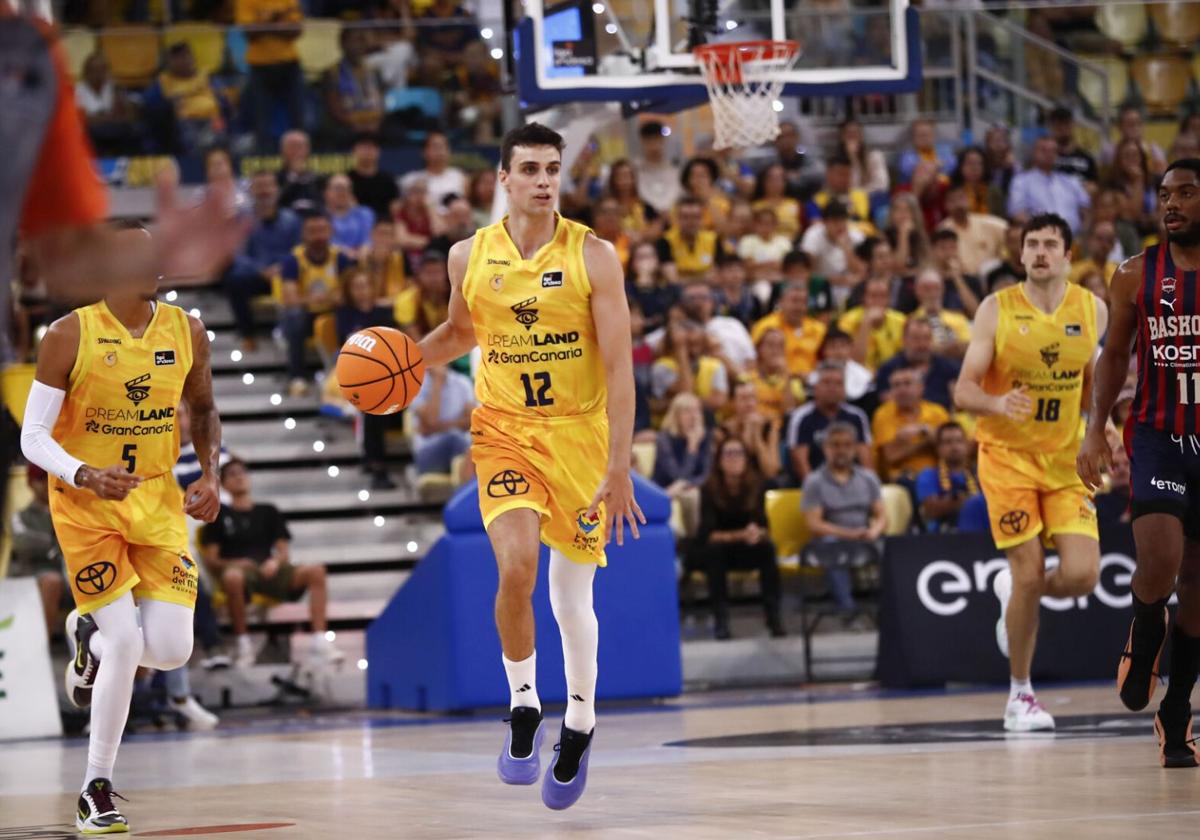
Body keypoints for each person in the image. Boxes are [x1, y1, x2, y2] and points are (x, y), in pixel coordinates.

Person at [415, 123, 643, 809]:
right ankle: (523, 706)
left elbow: (620, 366)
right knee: (515, 566)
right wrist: (401, 362)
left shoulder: (594, 256)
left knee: (572, 601)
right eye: (530, 169)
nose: (544, 180)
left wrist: (622, 464)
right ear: (503, 179)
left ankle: (579, 720)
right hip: (504, 432)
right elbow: (461, 332)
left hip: (579, 436)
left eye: (553, 168)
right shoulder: (468, 256)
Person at [18, 228, 222, 833]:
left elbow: (205, 409)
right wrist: (82, 473)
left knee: (172, 649)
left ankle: (91, 639)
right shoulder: (68, 334)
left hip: (156, 500)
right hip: (85, 505)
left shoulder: (187, 330)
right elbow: (34, 436)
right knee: (130, 642)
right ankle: (94, 788)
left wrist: (209, 473)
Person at [955, 212, 1107, 732]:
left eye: (1050, 245)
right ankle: (1020, 696)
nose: (1040, 252)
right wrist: (998, 404)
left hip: (1065, 461)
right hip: (1006, 459)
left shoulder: (1093, 310)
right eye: (1032, 245)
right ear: (1020, 255)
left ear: (1068, 255)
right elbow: (963, 390)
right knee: (1026, 570)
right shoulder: (995, 310)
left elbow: (1093, 385)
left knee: (1084, 575)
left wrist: (1101, 428)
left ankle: (1016, 594)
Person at [1077, 159, 1200, 767]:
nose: (1170, 203)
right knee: (1161, 559)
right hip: (1156, 434)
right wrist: (1094, 429)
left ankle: (1176, 714)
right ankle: (1146, 627)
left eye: (1185, 192)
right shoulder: (1133, 274)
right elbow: (1113, 356)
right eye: (1163, 194)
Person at [199, 458, 339, 669]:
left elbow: (283, 551)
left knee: (317, 570)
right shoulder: (218, 515)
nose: (239, 477)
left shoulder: (269, 511)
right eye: (233, 474)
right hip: (240, 572)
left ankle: (320, 641)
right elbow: (211, 559)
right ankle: (242, 643)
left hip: (269, 568)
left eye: (242, 472)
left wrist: (275, 562)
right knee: (232, 576)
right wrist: (236, 563)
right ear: (223, 484)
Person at [694, 436, 784, 640]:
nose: (734, 458)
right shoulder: (708, 489)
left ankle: (774, 618)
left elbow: (764, 526)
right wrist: (741, 534)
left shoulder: (757, 485)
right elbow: (707, 535)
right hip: (716, 549)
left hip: (746, 547)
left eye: (739, 453)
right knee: (714, 554)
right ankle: (721, 621)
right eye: (728, 453)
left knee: (767, 549)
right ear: (719, 460)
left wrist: (757, 533)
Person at [800, 422, 887, 624]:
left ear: (856, 448)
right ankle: (847, 610)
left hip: (865, 537)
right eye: (835, 445)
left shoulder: (868, 478)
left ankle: (889, 610)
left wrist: (874, 530)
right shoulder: (814, 481)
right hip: (833, 540)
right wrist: (849, 534)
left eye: (847, 445)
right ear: (825, 449)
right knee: (831, 545)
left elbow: (882, 515)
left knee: (891, 547)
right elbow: (814, 524)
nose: (841, 450)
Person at [279, 212, 357, 396]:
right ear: (303, 235)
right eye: (312, 231)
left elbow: (350, 290)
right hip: (307, 315)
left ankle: (348, 372)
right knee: (293, 316)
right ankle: (296, 376)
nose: (318, 237)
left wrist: (334, 298)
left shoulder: (340, 258)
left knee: (349, 310)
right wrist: (315, 299)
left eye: (322, 231)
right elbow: (290, 299)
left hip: (334, 313)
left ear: (330, 232)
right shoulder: (293, 261)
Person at [224, 171, 302, 350]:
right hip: (257, 276)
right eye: (259, 186)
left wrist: (282, 268)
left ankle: (290, 333)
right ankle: (247, 334)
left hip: (286, 275)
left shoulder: (292, 220)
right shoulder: (242, 220)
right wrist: (261, 270)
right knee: (234, 279)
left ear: (277, 189)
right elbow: (238, 254)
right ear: (251, 191)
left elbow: (299, 250)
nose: (264, 191)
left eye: (268, 186)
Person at [786, 360, 872, 483]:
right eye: (827, 383)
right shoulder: (801, 417)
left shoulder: (857, 416)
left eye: (838, 383)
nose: (833, 388)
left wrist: (868, 488)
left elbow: (866, 460)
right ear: (816, 387)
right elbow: (800, 463)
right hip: (812, 486)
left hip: (851, 483)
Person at [236, 0, 305, 152]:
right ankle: (264, 161)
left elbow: (296, 30)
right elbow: (249, 33)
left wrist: (265, 24)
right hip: (260, 65)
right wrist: (277, 20)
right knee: (262, 121)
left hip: (289, 62)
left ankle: (301, 159)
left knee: (299, 119)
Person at [9, 464, 68, 637]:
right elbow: (22, 542)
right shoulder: (21, 516)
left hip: (68, 575)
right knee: (52, 581)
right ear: (30, 483)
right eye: (41, 479)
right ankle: (41, 648)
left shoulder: (66, 510)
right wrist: (55, 546)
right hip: (32, 576)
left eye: (49, 478)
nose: (46, 483)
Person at [871, 365, 950, 489]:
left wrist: (908, 440)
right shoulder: (883, 414)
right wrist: (926, 440)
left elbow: (948, 449)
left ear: (920, 388)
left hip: (938, 475)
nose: (901, 389)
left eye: (907, 384)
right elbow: (891, 456)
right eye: (896, 385)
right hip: (902, 478)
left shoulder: (938, 412)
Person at [1007, 136, 1091, 234]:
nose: (1049, 154)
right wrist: (1044, 232)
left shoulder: (1071, 182)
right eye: (1044, 150)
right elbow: (1017, 214)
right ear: (1034, 153)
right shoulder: (1021, 181)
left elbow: (1087, 211)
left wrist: (1084, 233)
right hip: (1039, 238)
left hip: (1074, 240)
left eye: (1053, 151)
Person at [875, 316, 961, 409]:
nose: (922, 344)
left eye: (927, 338)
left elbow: (958, 403)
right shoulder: (888, 369)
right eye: (916, 338)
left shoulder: (949, 368)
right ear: (904, 340)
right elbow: (886, 402)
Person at [915, 421, 984, 533]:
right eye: (948, 442)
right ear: (938, 448)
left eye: (959, 441)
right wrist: (967, 501)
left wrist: (958, 501)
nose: (954, 446)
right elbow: (930, 510)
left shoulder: (979, 472)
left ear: (966, 445)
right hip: (944, 538)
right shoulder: (928, 475)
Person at [750, 281, 827, 379]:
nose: (798, 307)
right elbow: (754, 360)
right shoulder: (765, 327)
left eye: (803, 302)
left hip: (813, 384)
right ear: (781, 302)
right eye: (794, 301)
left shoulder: (819, 329)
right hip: (776, 382)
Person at [410, 364, 474, 477]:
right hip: (428, 453)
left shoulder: (463, 382)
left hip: (461, 446)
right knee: (454, 439)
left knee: (476, 446)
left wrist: (437, 427)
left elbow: (473, 421)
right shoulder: (415, 385)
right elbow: (431, 420)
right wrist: (437, 382)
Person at [937, 185, 1008, 278]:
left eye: (961, 198)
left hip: (991, 277)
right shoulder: (942, 230)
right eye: (952, 200)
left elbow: (1011, 232)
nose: (958, 204)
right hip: (961, 279)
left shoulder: (989, 224)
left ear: (968, 200)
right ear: (946, 205)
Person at [722, 380, 782, 481]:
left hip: (762, 481)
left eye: (752, 397)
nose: (750, 404)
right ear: (732, 403)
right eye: (743, 399)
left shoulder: (769, 427)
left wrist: (757, 436)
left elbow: (772, 471)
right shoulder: (724, 430)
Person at [400, 131, 467, 209]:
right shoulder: (410, 180)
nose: (440, 151)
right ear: (424, 152)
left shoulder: (460, 176)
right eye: (435, 147)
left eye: (443, 146)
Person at [347, 133, 400, 220]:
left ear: (379, 151)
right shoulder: (346, 180)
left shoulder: (388, 181)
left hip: (382, 227)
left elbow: (394, 209)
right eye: (363, 147)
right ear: (353, 151)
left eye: (371, 147)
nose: (367, 152)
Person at [1048, 105, 1099, 186]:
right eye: (1058, 126)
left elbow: (1094, 186)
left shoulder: (1086, 157)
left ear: (1072, 126)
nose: (1063, 129)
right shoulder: (1045, 158)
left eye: (1066, 124)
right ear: (1051, 127)